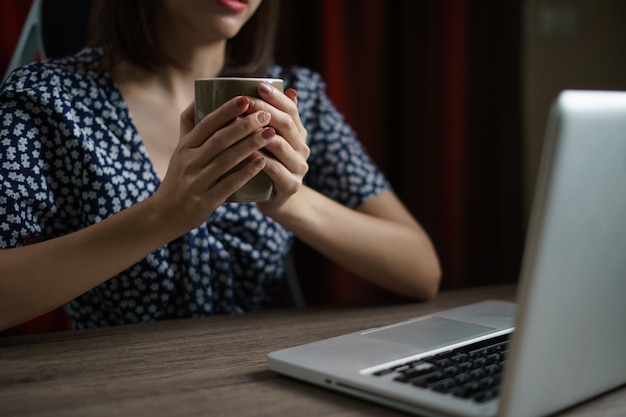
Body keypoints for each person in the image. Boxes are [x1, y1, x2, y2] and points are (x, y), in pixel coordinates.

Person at [0, 0, 441, 331]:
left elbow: (421, 271)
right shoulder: (49, 100)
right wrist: (164, 216)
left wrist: (287, 200)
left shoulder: (296, 99)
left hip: (262, 379)